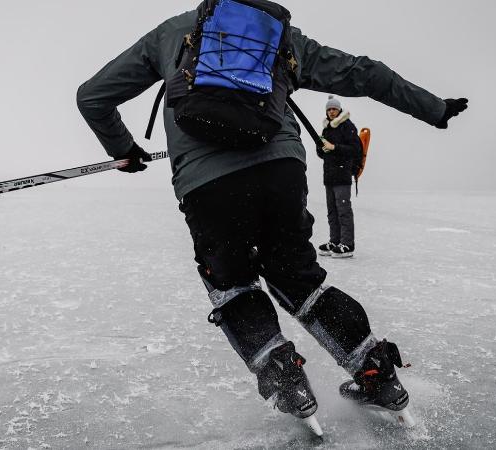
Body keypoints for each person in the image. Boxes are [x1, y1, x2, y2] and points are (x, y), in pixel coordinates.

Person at [77, 1, 467, 429]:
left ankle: (287, 380)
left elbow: (93, 97)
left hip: (206, 184)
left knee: (233, 285)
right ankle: (376, 372)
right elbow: (365, 72)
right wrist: (434, 108)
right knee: (299, 277)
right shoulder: (279, 35)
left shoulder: (170, 33)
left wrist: (124, 150)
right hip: (280, 169)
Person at [317, 95, 363, 258]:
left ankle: (347, 244)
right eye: (329, 109)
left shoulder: (347, 126)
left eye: (334, 109)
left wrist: (333, 147)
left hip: (342, 175)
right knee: (332, 211)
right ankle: (335, 241)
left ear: (339, 109)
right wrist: (321, 148)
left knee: (343, 210)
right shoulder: (327, 128)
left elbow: (355, 150)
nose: (331, 111)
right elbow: (322, 153)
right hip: (329, 176)